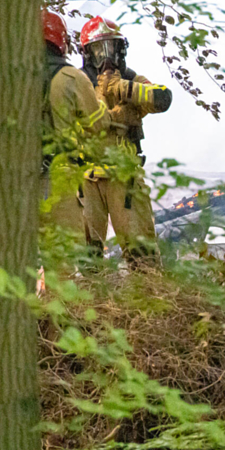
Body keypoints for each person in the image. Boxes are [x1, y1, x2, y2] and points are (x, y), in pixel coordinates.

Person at [78, 16, 172, 266]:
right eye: (99, 50)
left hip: (125, 178)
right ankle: (91, 304)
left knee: (142, 255)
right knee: (86, 259)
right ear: (88, 54)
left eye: (111, 48)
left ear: (121, 50)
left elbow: (162, 99)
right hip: (86, 182)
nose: (106, 58)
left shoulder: (131, 79)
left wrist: (123, 89)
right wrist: (113, 114)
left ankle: (149, 299)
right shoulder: (78, 83)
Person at [41, 9, 110, 242]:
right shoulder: (70, 77)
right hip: (59, 180)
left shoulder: (8, 80)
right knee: (61, 265)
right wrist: (100, 97)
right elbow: (98, 124)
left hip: (16, 182)